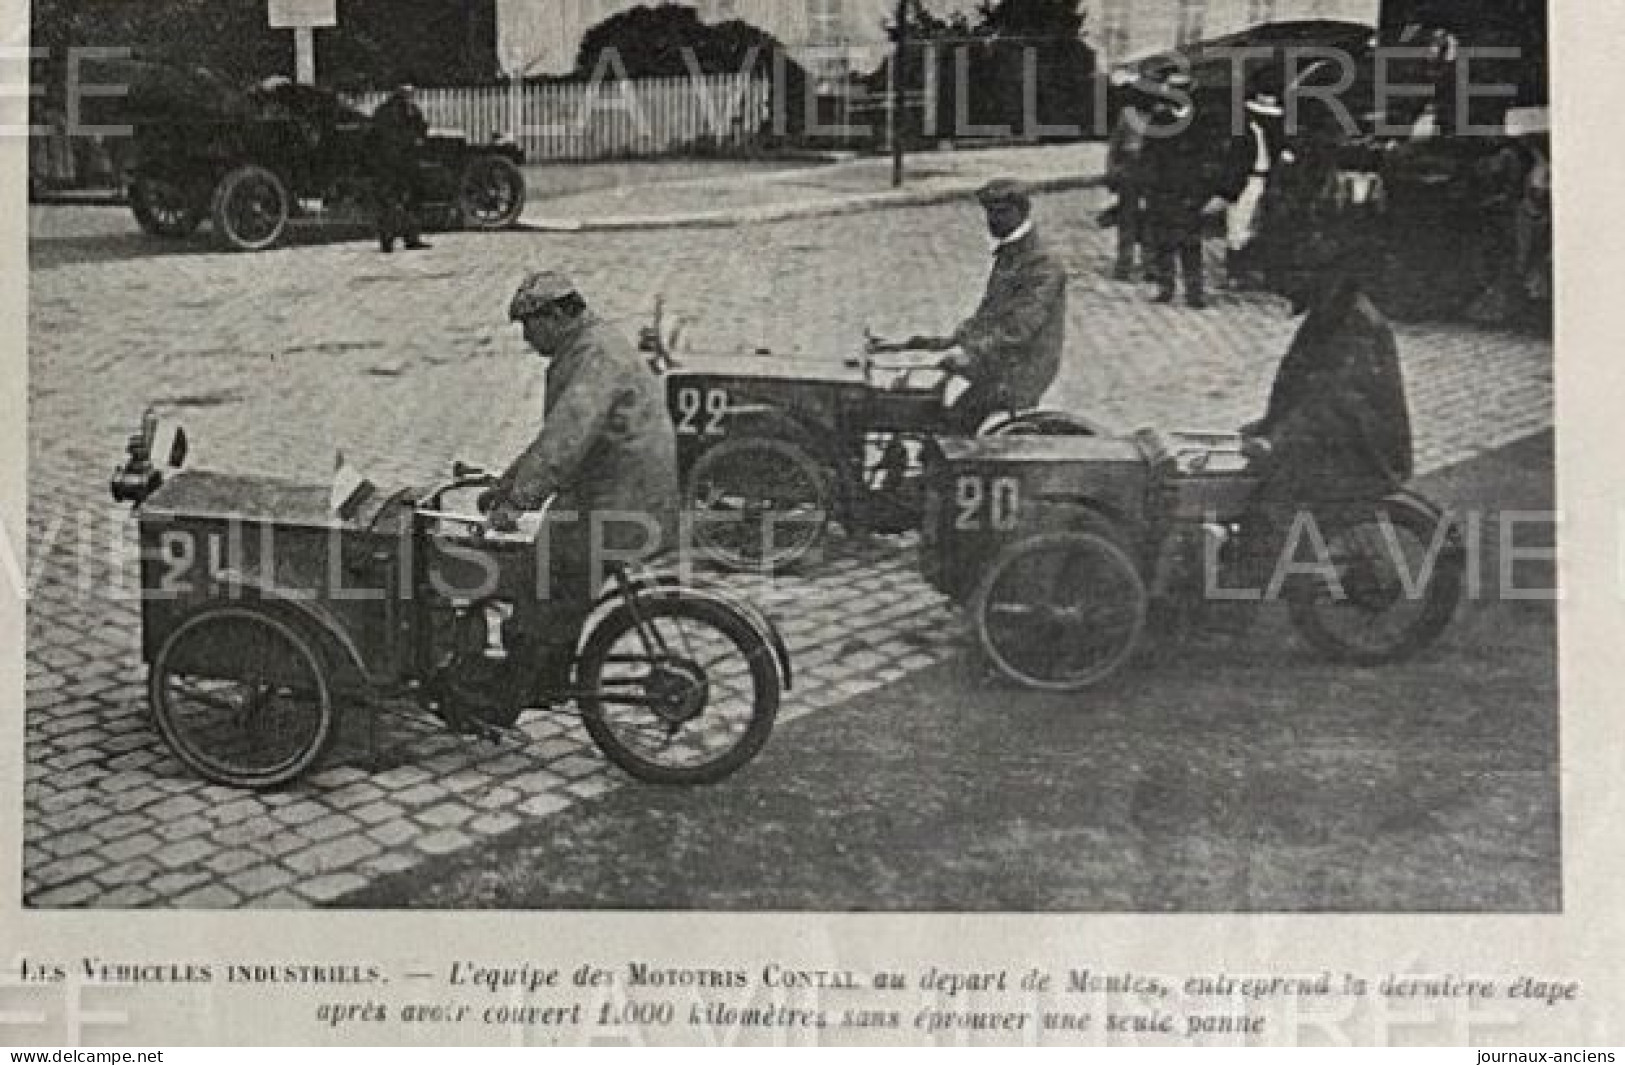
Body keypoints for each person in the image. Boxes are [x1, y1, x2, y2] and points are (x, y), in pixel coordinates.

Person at [473, 271, 681, 713]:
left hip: (619, 504)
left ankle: (510, 694)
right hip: (627, 492)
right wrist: (506, 484)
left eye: (529, 326)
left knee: (542, 576)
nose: (528, 339)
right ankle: (546, 673)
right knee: (556, 577)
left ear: (553, 316)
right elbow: (556, 439)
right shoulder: (593, 343)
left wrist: (516, 504)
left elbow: (565, 443)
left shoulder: (593, 357)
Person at [1238, 162, 1413, 579]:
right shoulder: (1331, 315)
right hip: (1335, 439)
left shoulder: (1355, 326)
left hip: (1363, 453)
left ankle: (1239, 597)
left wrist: (1276, 440)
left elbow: (1333, 402)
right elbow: (1300, 387)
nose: (1288, 289)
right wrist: (1266, 425)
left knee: (1268, 503)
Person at [889, 178, 1067, 434]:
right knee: (919, 395)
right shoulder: (1013, 251)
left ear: (1021, 212)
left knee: (950, 422)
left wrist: (972, 354)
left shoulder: (1042, 264)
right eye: (989, 213)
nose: (993, 220)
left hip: (1020, 370)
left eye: (1001, 212)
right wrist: (947, 340)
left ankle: (947, 466)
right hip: (1004, 360)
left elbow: (1019, 328)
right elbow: (991, 313)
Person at [1140, 72, 1213, 308]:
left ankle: (1195, 292)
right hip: (1162, 190)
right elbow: (1147, 157)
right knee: (1163, 241)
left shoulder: (1202, 122)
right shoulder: (1159, 121)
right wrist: (1148, 190)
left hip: (1191, 192)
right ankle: (1166, 287)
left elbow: (1210, 160)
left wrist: (1206, 192)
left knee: (1191, 243)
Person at [1222, 90, 1288, 290]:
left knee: (1264, 226)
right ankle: (1235, 273)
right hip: (1248, 180)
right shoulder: (1242, 133)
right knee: (1238, 225)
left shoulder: (1276, 138)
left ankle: (1260, 274)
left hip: (1266, 180)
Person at [370, 83, 430, 253]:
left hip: (398, 163)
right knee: (395, 201)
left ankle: (402, 239)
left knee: (400, 201)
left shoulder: (404, 111)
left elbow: (421, 129)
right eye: (407, 93)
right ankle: (396, 239)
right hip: (395, 163)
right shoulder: (390, 112)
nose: (410, 96)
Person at [1104, 89, 1152, 281]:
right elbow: (1115, 146)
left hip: (1149, 170)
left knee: (1149, 219)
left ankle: (1150, 265)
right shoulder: (1127, 116)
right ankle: (1124, 264)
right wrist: (1112, 172)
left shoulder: (1160, 116)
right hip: (1130, 170)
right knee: (1128, 219)